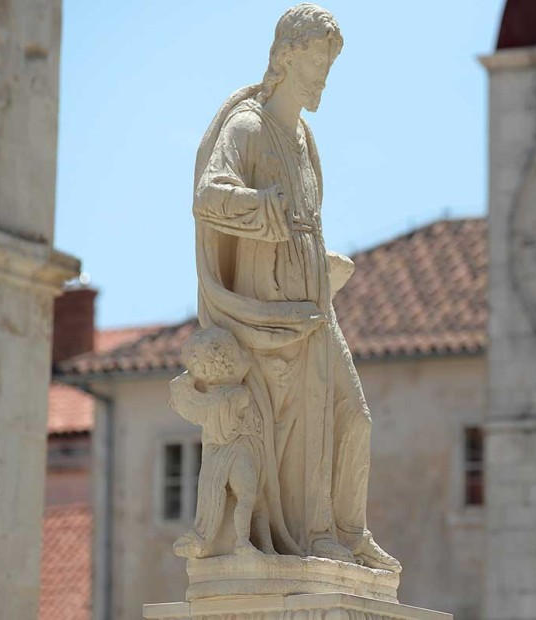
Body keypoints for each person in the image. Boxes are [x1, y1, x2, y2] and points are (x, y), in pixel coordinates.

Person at [191, 3, 400, 572]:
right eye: (316, 63)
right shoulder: (248, 127)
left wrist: (319, 259)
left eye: (329, 65)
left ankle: (348, 529)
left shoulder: (305, 139)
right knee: (304, 420)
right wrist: (261, 211)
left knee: (352, 416)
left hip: (314, 302)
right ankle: (317, 536)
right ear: (286, 57)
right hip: (268, 308)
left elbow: (306, 220)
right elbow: (209, 196)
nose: (323, 77)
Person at [169, 327, 273, 558]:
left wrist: (190, 378)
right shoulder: (237, 395)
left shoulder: (208, 400)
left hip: (227, 452)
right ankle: (242, 542)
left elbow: (183, 395)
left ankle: (247, 542)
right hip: (234, 451)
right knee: (247, 496)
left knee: (249, 496)